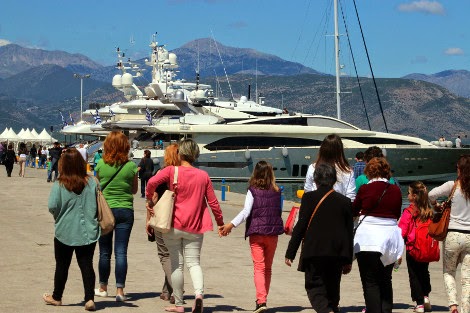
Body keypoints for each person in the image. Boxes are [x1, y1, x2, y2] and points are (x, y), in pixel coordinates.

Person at [145, 138, 224, 313]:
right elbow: (213, 203)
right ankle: (198, 296)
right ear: (195, 155)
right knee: (194, 263)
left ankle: (179, 304)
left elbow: (151, 183)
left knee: (176, 265)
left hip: (173, 225)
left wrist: (150, 200)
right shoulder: (203, 176)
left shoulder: (171, 171)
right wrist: (220, 223)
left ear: (180, 153)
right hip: (195, 227)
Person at [285, 163, 353, 313]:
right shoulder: (345, 202)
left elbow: (300, 227)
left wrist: (290, 253)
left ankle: (326, 310)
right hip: (337, 252)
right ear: (334, 180)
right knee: (333, 287)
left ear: (315, 179)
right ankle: (331, 308)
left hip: (314, 250)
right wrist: (348, 259)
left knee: (314, 286)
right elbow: (349, 232)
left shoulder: (309, 198)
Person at [219, 161, 285, 313]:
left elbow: (245, 212)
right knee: (267, 269)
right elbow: (277, 212)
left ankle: (261, 301)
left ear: (255, 173)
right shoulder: (277, 191)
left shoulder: (252, 190)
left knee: (259, 268)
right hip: (272, 234)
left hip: (256, 233)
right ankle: (263, 300)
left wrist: (230, 225)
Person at [43, 148, 100, 311]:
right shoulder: (93, 182)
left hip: (65, 230)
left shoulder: (59, 184)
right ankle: (89, 299)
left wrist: (58, 216)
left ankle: (57, 297)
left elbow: (52, 206)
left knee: (62, 265)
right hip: (88, 230)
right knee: (86, 265)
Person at [353, 157, 404, 313]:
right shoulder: (395, 189)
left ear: (369, 172)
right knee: (386, 280)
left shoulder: (365, 189)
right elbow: (396, 213)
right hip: (389, 238)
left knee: (370, 282)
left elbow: (354, 210)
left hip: (367, 239)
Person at [94, 131, 138, 302]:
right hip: (125, 210)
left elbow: (96, 189)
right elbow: (134, 190)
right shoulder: (131, 166)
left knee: (104, 252)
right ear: (125, 146)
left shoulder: (100, 165)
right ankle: (120, 291)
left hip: (105, 211)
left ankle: (103, 287)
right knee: (121, 252)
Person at [429, 155, 470, 313]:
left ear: (459, 169)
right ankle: (466, 309)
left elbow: (431, 194)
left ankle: (453, 305)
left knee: (449, 272)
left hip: (453, 234)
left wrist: (436, 205)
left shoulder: (452, 185)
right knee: (467, 278)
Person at [146, 143, 180, 304]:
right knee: (174, 255)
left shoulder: (162, 173)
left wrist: (148, 219)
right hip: (180, 218)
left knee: (164, 254)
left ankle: (177, 290)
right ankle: (166, 291)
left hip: (163, 218)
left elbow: (152, 197)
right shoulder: (184, 173)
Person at [398, 181, 434, 313]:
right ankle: (426, 297)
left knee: (414, 274)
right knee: (424, 272)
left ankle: (419, 303)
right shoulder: (429, 211)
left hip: (413, 248)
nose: (407, 195)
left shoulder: (409, 211)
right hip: (426, 247)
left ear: (413, 196)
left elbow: (402, 231)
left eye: (408, 192)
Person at [304, 134, 355, 201]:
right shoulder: (347, 171)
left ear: (322, 149)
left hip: (317, 206)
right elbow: (350, 196)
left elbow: (308, 190)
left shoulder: (313, 167)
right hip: (338, 208)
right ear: (340, 150)